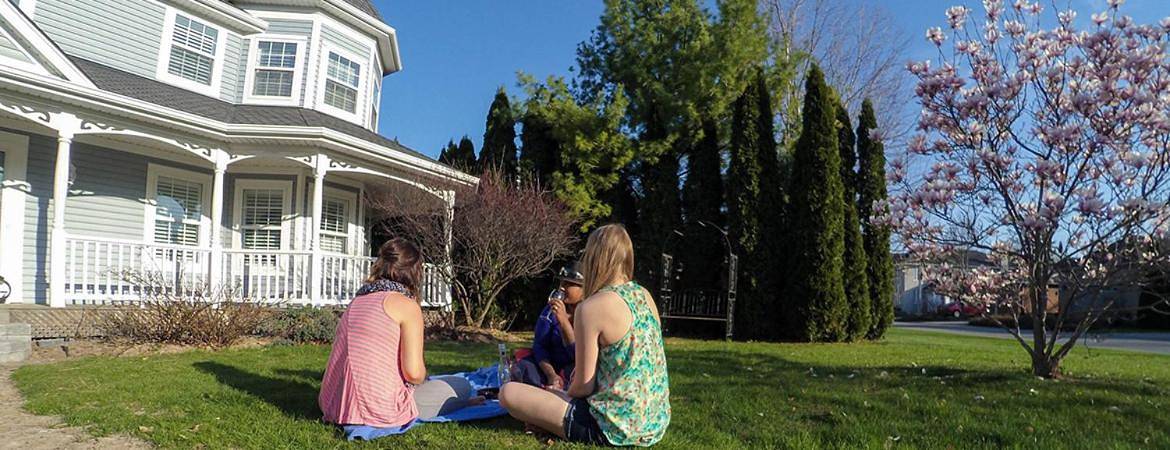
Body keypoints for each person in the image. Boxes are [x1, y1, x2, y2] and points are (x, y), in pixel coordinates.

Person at [500, 224, 671, 446]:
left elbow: (584, 386)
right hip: (653, 422)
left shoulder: (592, 307)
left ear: (593, 259)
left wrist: (562, 393)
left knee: (509, 392)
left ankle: (547, 424)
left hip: (612, 428)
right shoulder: (645, 295)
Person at [319, 238, 481, 428]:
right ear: (414, 271)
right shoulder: (406, 306)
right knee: (461, 386)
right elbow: (413, 374)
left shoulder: (358, 301)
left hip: (334, 404)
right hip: (380, 409)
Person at [512, 262, 585, 389]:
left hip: (574, 368)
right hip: (548, 366)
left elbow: (579, 355)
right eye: (561, 283)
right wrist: (551, 374)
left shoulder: (589, 315)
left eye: (568, 284)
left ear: (584, 289)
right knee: (524, 367)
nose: (562, 288)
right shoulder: (550, 311)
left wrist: (563, 321)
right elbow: (540, 345)